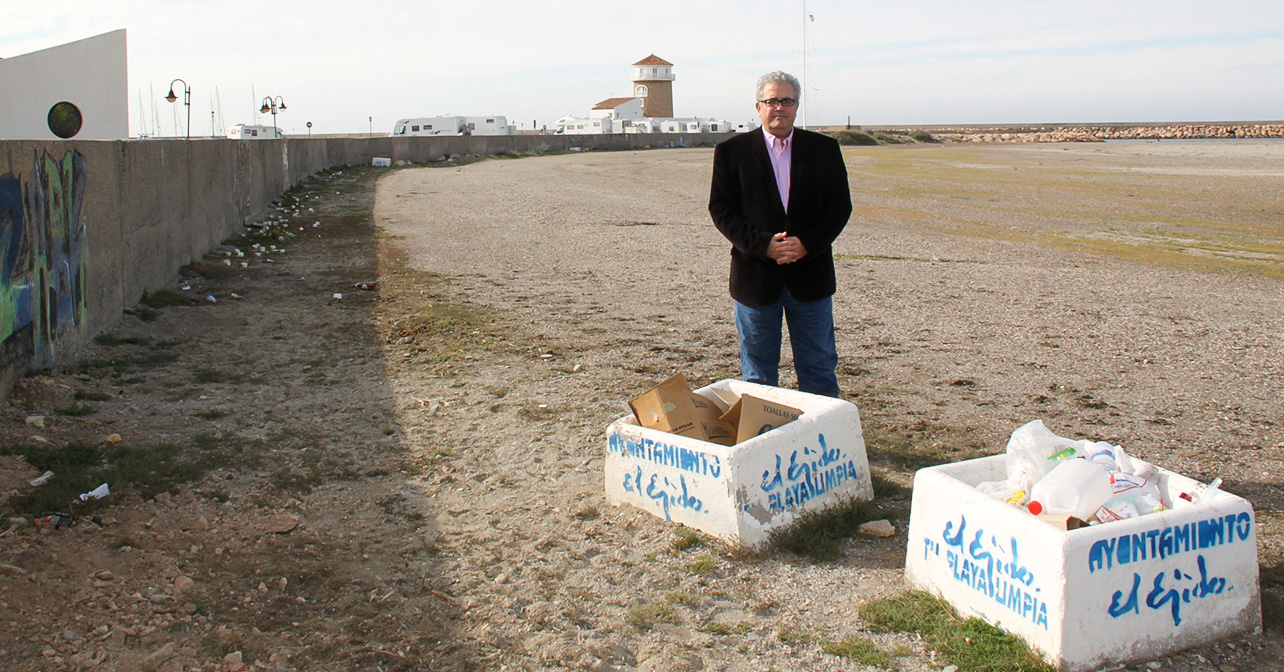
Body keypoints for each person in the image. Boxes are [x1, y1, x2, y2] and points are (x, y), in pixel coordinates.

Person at [708, 71, 852, 397]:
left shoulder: (824, 149)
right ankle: (762, 440)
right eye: (772, 101)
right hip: (756, 279)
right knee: (758, 374)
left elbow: (839, 207)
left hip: (811, 277)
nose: (779, 108)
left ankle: (821, 442)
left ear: (796, 106)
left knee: (819, 367)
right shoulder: (732, 152)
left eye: (786, 101)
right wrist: (763, 245)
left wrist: (808, 244)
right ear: (758, 106)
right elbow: (721, 210)